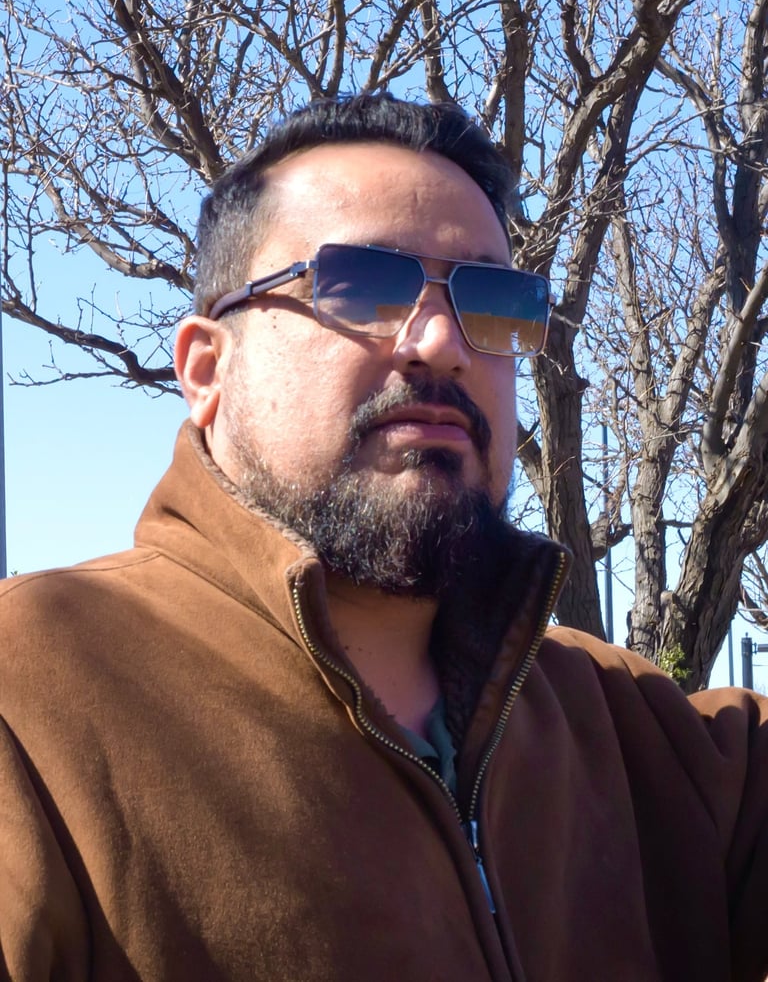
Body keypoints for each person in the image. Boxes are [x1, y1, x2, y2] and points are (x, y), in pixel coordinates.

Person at [1, 93, 767, 982]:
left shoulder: (642, 733)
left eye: (493, 300)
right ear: (207, 371)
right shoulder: (31, 695)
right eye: (364, 285)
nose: (441, 343)